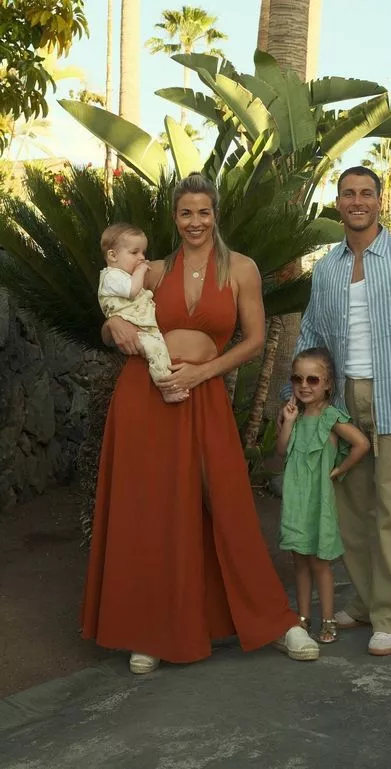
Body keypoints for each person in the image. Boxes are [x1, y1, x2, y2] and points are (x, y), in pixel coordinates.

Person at [82, 171, 319, 674]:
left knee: (228, 502)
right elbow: (113, 314)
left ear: (215, 215)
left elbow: (254, 339)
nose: (195, 221)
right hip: (146, 396)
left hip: (203, 393)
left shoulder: (241, 269)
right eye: (186, 213)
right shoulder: (152, 269)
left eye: (203, 212)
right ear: (175, 217)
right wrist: (112, 324)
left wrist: (204, 372)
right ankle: (149, 630)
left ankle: (277, 622)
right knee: (151, 509)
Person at [281, 166, 391, 656]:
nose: (357, 201)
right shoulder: (327, 269)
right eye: (348, 193)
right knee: (350, 511)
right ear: (338, 203)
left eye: (366, 193)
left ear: (379, 201)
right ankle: (367, 601)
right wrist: (298, 392)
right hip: (340, 402)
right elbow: (312, 332)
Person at [276, 347, 370, 644]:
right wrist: (288, 421)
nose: (304, 385)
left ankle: (328, 619)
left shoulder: (331, 417)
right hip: (296, 500)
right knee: (299, 561)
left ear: (328, 384)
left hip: (319, 501)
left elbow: (362, 444)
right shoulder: (294, 416)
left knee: (320, 562)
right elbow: (281, 450)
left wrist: (339, 469)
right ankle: (302, 618)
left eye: (313, 380)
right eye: (297, 379)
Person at [98, 222, 188, 404]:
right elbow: (132, 290)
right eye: (134, 253)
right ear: (113, 256)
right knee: (156, 351)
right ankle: (167, 388)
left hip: (141, 325)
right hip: (135, 327)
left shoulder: (122, 276)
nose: (141, 258)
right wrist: (140, 270)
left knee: (158, 350)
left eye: (143, 253)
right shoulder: (111, 276)